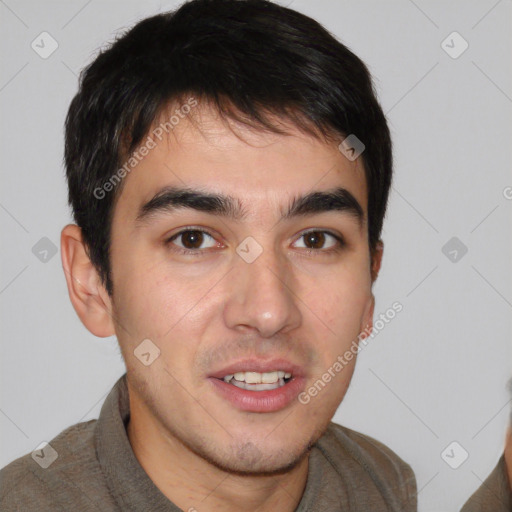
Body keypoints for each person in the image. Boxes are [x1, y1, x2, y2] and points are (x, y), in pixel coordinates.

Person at [0, 0, 417, 510]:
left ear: (371, 281)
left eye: (314, 239)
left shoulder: (382, 485)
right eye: (193, 239)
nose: (268, 312)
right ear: (91, 281)